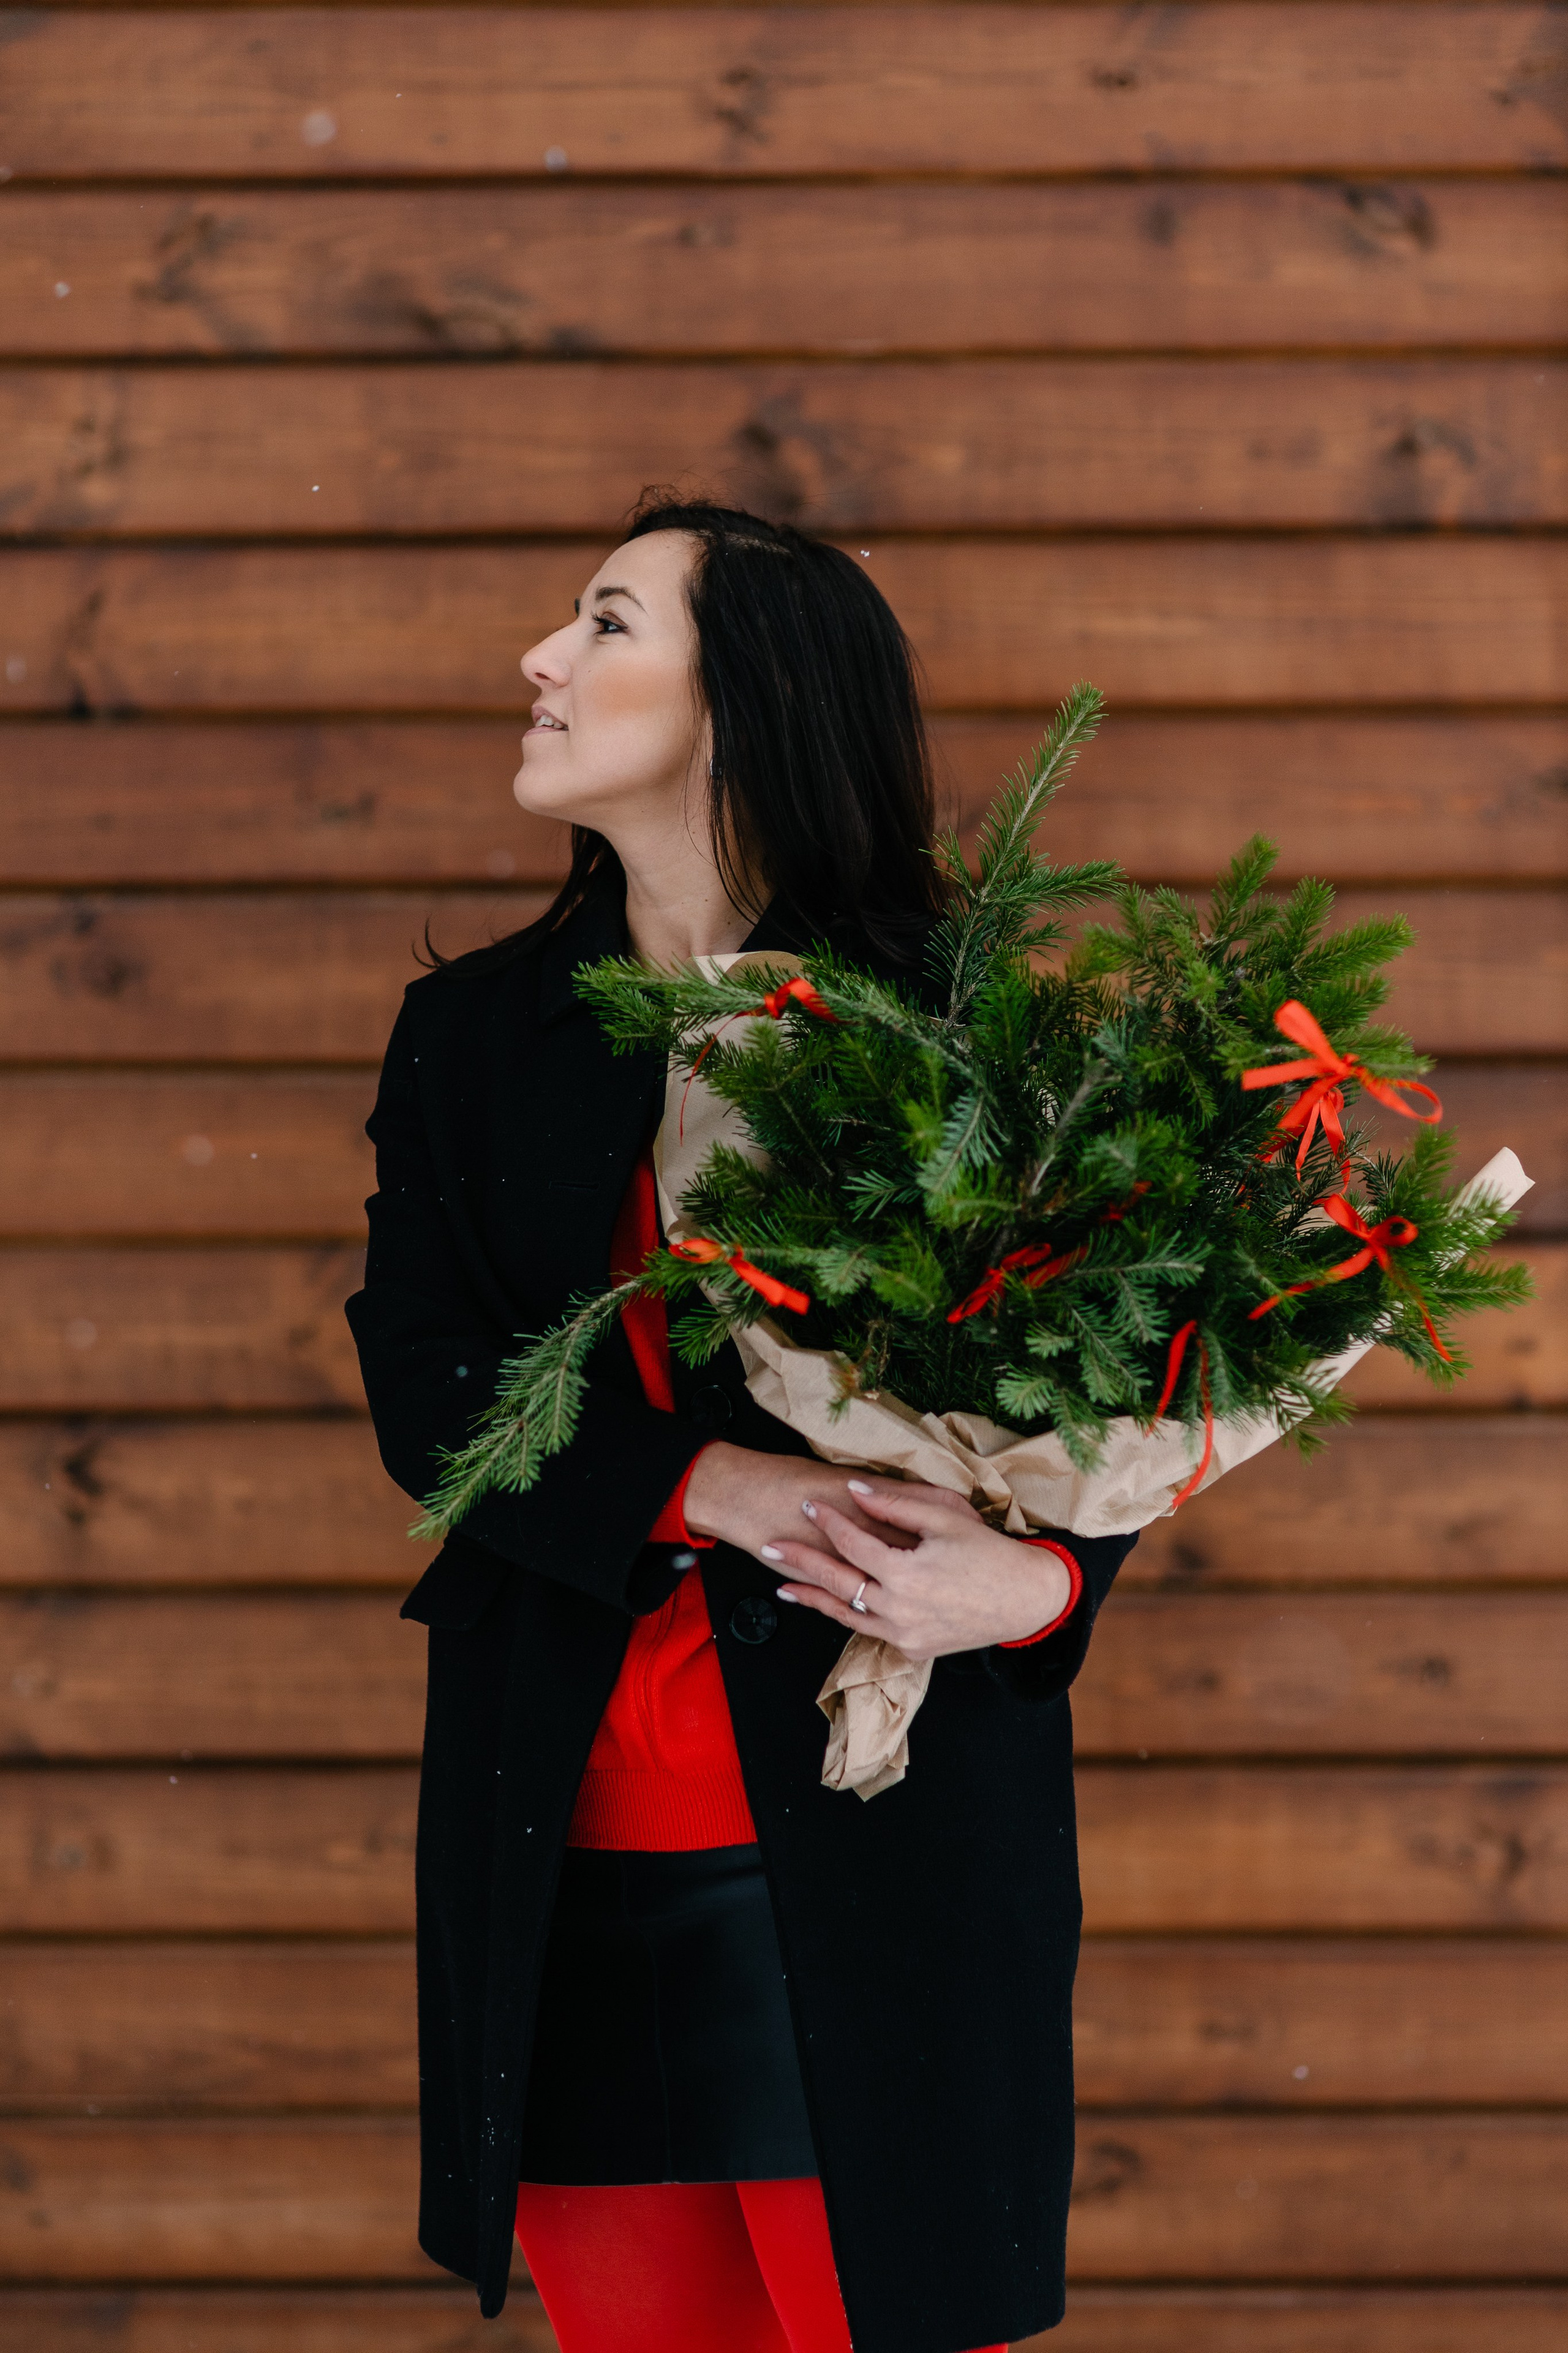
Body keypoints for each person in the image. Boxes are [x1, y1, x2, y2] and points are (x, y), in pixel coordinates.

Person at [346, 499, 1139, 2353]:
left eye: (607, 623)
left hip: (885, 1863)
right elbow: (425, 1383)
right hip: (562, 1853)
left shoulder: (955, 1035)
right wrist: (713, 1481)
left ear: (748, 701)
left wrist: (1027, 1593)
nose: (542, 661)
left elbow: (1099, 1409)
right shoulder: (475, 1042)